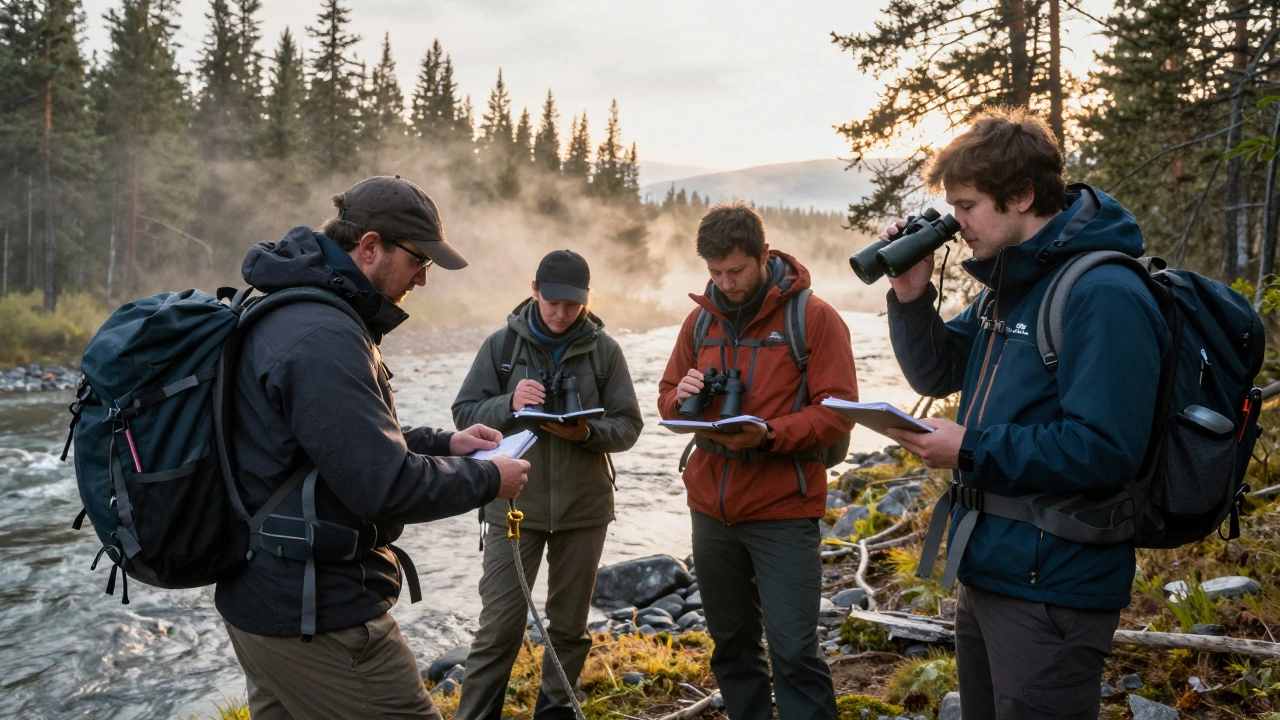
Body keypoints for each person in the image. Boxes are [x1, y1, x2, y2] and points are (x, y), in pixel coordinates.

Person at [881, 108, 1170, 720]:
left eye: (967, 205)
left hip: (1054, 584)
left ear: (1020, 196)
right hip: (992, 565)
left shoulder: (1102, 294)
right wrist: (910, 295)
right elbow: (937, 372)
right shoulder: (1013, 285)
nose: (956, 224)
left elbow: (1106, 448)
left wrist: (969, 449)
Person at [217, 175, 531, 720]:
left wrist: (447, 444)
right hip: (318, 615)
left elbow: (329, 448)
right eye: (418, 261)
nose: (423, 278)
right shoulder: (323, 336)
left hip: (265, 599)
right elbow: (383, 485)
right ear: (369, 248)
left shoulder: (294, 311)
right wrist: (488, 478)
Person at [656, 202, 858, 720]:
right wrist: (683, 397)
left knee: (794, 651)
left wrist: (769, 435)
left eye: (736, 270)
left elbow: (839, 413)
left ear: (764, 255)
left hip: (783, 508)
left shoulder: (813, 318)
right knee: (731, 646)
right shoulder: (700, 322)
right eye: (715, 272)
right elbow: (666, 399)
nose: (725, 283)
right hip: (710, 509)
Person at [451, 249, 643, 720]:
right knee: (499, 629)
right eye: (553, 301)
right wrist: (508, 403)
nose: (561, 313)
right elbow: (462, 416)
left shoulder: (605, 352)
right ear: (534, 290)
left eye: (573, 304)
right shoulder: (501, 348)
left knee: (570, 629)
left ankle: (555, 714)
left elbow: (628, 427)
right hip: (511, 509)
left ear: (587, 299)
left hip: (584, 511)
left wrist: (586, 433)